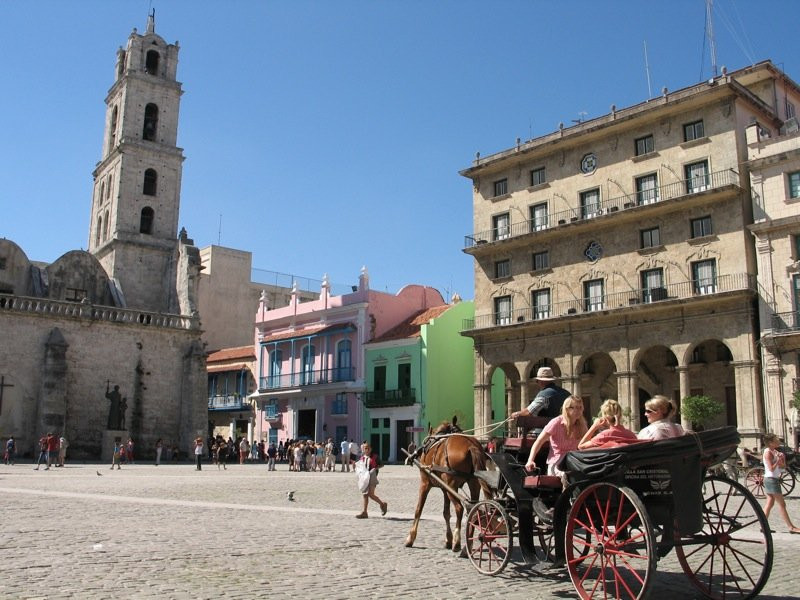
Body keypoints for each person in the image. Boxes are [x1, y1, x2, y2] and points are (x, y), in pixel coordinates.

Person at [524, 396, 587, 478]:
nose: (579, 411)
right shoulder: (556, 422)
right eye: (576, 408)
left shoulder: (582, 425)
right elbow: (539, 441)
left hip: (574, 461)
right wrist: (530, 460)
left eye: (580, 408)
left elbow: (587, 443)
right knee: (567, 475)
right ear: (567, 409)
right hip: (557, 463)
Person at [761, 433, 800, 533]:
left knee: (769, 503)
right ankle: (791, 527)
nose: (778, 441)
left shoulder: (774, 451)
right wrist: (778, 460)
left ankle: (763, 527)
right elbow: (771, 468)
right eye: (776, 440)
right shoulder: (768, 452)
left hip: (773, 479)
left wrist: (782, 459)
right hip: (771, 479)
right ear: (770, 442)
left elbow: (783, 467)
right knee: (782, 504)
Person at [354, 442, 387, 519]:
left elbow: (382, 464)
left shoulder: (375, 457)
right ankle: (364, 512)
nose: (367, 449)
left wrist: (375, 468)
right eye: (365, 448)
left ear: (371, 449)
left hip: (372, 476)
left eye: (368, 448)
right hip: (364, 477)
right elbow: (360, 466)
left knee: (370, 494)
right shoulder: (362, 458)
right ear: (363, 449)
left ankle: (382, 504)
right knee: (365, 494)